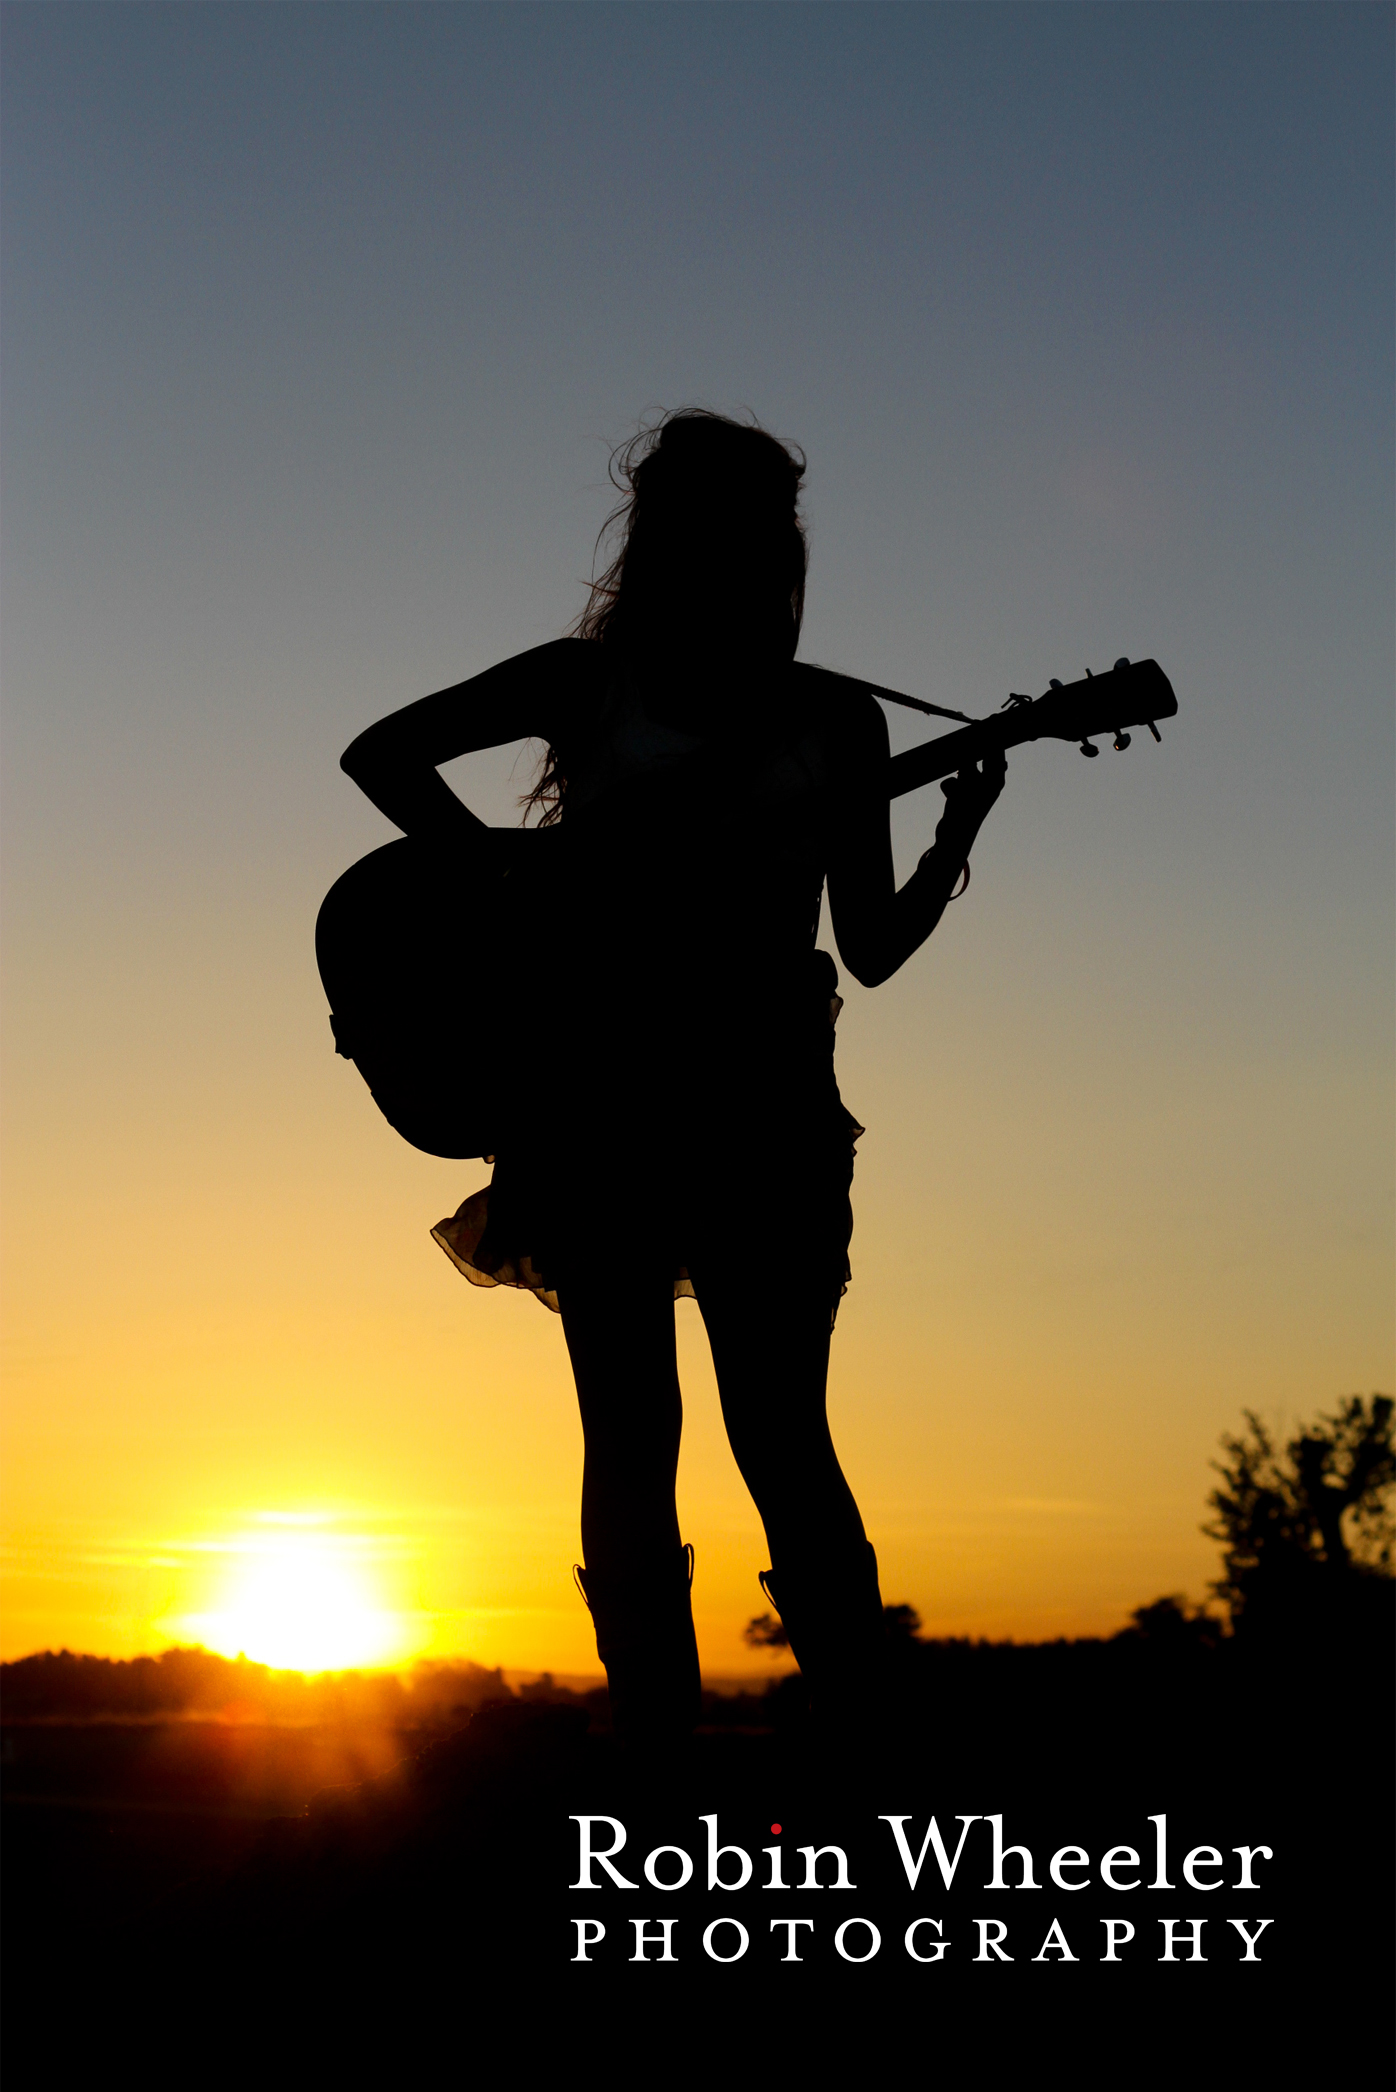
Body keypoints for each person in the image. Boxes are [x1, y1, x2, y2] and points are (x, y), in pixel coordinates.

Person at [340, 410, 1005, 1741]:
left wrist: (956, 833)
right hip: (598, 1103)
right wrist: (507, 874)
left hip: (768, 1113)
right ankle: (665, 1777)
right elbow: (380, 755)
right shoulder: (588, 685)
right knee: (644, 1444)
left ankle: (865, 1766)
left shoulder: (838, 719)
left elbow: (864, 948)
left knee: (774, 1442)